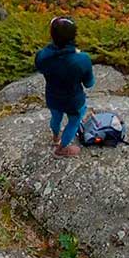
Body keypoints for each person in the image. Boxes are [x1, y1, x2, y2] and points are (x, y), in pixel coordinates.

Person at [35, 16, 95, 157]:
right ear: (73, 36)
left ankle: (56, 137)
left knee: (56, 118)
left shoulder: (42, 56)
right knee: (74, 122)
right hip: (73, 101)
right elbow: (89, 83)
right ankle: (61, 149)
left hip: (52, 97)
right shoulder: (82, 59)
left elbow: (41, 68)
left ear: (52, 35)